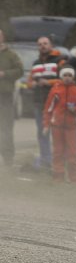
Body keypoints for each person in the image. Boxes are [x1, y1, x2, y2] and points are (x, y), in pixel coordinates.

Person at [42, 65, 76, 182]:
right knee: (58, 152)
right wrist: (46, 124)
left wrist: (75, 108)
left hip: (71, 127)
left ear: (73, 77)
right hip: (57, 125)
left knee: (72, 153)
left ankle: (75, 177)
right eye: (65, 75)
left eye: (70, 75)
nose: (67, 78)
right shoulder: (55, 90)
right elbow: (48, 108)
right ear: (61, 76)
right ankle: (58, 175)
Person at [29, 36, 67, 170]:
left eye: (45, 43)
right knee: (42, 133)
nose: (42, 46)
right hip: (39, 102)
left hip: (56, 102)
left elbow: (65, 79)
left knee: (58, 132)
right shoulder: (35, 63)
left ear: (51, 45)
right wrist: (32, 84)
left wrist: (48, 82)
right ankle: (46, 159)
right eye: (40, 44)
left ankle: (59, 159)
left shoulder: (60, 60)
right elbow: (29, 82)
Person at [0, 29, 24, 168]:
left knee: (6, 128)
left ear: (2, 37)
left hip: (5, 96)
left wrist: (5, 74)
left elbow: (20, 71)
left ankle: (8, 159)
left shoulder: (11, 55)